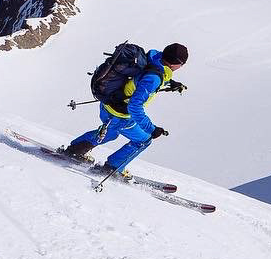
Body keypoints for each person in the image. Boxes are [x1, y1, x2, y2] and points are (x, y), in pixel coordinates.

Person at [63, 43, 189, 173]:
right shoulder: (154, 78)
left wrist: (171, 83)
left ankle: (75, 150)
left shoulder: (153, 58)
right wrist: (151, 129)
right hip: (120, 115)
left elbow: (142, 78)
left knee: (110, 133)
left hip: (108, 104)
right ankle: (112, 168)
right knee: (144, 140)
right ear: (176, 64)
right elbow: (135, 106)